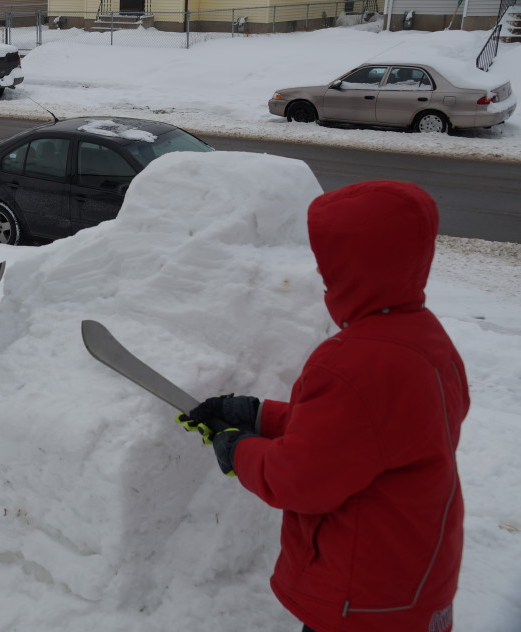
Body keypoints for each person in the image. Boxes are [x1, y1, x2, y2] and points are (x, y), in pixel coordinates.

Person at [184, 180, 469, 632]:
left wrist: (236, 449)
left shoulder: (355, 361)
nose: (322, 275)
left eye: (329, 263)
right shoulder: (425, 337)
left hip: (364, 596)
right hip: (414, 573)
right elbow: (363, 435)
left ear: (357, 265)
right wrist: (257, 414)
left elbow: (301, 479)